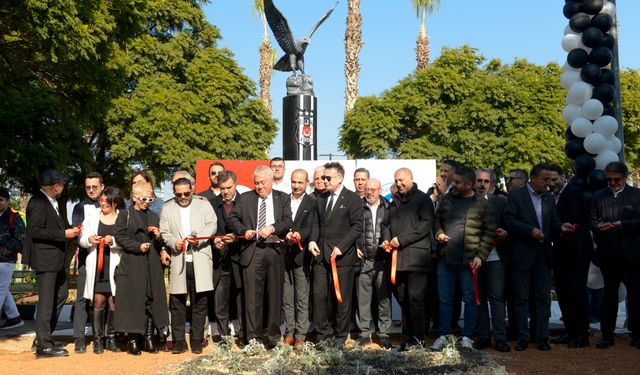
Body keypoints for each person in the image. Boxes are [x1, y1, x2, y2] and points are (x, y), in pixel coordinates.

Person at [503, 163, 574, 351]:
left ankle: (542, 337)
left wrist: (561, 227)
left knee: (543, 298)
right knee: (521, 298)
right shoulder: (516, 195)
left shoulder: (549, 198)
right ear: (532, 179)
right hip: (522, 254)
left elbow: (554, 221)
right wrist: (530, 231)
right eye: (544, 179)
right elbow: (509, 220)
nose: (548, 183)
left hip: (543, 255)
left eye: (550, 180)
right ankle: (523, 337)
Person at [227, 166, 293, 348]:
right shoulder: (246, 198)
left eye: (263, 182)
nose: (259, 186)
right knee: (252, 298)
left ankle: (272, 337)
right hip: (252, 250)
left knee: (274, 296)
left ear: (272, 181)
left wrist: (272, 228)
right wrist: (243, 230)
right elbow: (232, 219)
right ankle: (253, 338)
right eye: (256, 183)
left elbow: (288, 220)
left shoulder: (283, 198)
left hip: (274, 251)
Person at [431, 167, 496, 350]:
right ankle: (443, 335)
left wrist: (481, 256)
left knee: (470, 300)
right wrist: (439, 233)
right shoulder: (447, 199)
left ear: (469, 184)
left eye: (458, 182)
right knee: (444, 299)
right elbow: (436, 220)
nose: (454, 184)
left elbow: (489, 232)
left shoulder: (482, 204)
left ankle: (467, 337)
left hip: (469, 261)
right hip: (446, 259)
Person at [23, 169, 80, 357]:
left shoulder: (49, 201)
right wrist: (63, 234)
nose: (63, 188)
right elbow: (35, 231)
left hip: (54, 260)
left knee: (62, 294)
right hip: (45, 259)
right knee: (47, 302)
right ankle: (43, 346)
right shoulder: (39, 202)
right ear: (56, 186)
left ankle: (43, 337)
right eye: (62, 185)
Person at [308, 162, 363, 346]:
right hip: (321, 257)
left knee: (341, 298)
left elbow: (357, 227)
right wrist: (312, 241)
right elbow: (315, 223)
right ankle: (323, 334)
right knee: (318, 295)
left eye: (328, 178)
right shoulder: (321, 198)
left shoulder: (352, 199)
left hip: (342, 257)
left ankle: (340, 336)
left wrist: (342, 246)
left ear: (339, 178)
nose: (324, 181)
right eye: (323, 177)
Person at [160, 177, 217, 354]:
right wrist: (173, 243)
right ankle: (178, 341)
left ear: (192, 189)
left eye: (186, 193)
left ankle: (197, 339)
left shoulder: (204, 204)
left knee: (200, 302)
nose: (183, 196)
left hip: (200, 260)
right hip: (179, 260)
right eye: (179, 194)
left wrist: (198, 239)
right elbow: (164, 232)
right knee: (177, 303)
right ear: (174, 192)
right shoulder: (167, 208)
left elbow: (212, 225)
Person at [113, 182, 169, 355]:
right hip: (132, 263)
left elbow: (160, 243)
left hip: (152, 263)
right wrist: (138, 246)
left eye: (150, 199)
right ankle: (132, 339)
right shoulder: (125, 214)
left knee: (151, 299)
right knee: (133, 300)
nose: (147, 202)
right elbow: (120, 236)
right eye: (144, 199)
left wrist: (158, 237)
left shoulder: (153, 216)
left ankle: (149, 337)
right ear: (135, 198)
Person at [382, 168, 434, 350]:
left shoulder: (423, 199)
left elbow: (426, 224)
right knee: (404, 300)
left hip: (417, 259)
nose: (399, 184)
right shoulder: (394, 200)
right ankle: (406, 340)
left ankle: (418, 341)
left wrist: (401, 239)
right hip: (398, 260)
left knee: (416, 299)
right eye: (396, 180)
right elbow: (385, 224)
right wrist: (387, 239)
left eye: (402, 180)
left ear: (411, 178)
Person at [590, 161, 640, 350]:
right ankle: (607, 335)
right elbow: (592, 219)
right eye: (608, 179)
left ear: (624, 177)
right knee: (609, 295)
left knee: (636, 295)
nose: (611, 183)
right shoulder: (598, 195)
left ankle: (637, 334)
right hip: (609, 253)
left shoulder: (637, 195)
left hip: (633, 254)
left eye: (615, 179)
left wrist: (622, 225)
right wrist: (598, 227)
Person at [548, 164, 593, 348]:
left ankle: (582, 334)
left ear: (563, 176)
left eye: (554, 179)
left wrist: (553, 224)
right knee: (564, 293)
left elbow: (569, 218)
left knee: (576, 292)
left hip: (577, 252)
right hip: (560, 251)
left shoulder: (574, 193)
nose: (551, 183)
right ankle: (570, 331)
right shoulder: (551, 197)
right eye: (548, 180)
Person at [78, 186, 125, 354]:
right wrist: (89, 239)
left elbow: (126, 241)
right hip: (96, 265)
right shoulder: (92, 216)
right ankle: (98, 340)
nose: (103, 203)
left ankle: (111, 338)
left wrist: (112, 241)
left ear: (115, 202)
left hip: (115, 265)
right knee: (98, 302)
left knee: (114, 302)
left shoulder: (123, 217)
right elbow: (81, 239)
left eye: (106, 201)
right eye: (101, 200)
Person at [473, 169, 511, 352]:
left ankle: (500, 338)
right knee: (479, 298)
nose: (482, 184)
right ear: (473, 183)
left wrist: (505, 232)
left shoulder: (500, 202)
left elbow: (508, 224)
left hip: (495, 256)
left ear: (491, 184)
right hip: (473, 258)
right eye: (479, 181)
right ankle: (483, 336)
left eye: (485, 181)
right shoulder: (466, 202)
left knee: (496, 298)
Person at [355, 178, 392, 348]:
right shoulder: (357, 207)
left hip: (383, 261)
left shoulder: (389, 207)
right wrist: (355, 245)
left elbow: (392, 229)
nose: (369, 192)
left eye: (373, 189)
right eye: (367, 189)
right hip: (364, 260)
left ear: (379, 190)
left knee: (383, 299)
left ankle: (383, 333)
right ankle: (363, 332)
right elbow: (351, 228)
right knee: (362, 300)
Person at [71, 171, 104, 353]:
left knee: (106, 298)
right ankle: (79, 338)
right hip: (86, 256)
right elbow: (78, 231)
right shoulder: (79, 207)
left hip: (107, 257)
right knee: (82, 298)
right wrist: (88, 238)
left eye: (94, 187)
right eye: (88, 187)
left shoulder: (110, 203)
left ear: (102, 187)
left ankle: (105, 336)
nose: (91, 190)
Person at [282, 169, 315, 349]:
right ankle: (289, 331)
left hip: (302, 256)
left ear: (307, 183)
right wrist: (284, 232)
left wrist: (298, 235)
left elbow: (311, 227)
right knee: (287, 297)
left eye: (300, 183)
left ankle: (301, 334)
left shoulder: (312, 202)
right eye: (294, 182)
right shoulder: (284, 200)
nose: (296, 186)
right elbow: (280, 222)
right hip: (284, 255)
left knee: (302, 297)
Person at [208, 170, 243, 338]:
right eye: (223, 188)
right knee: (220, 298)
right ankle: (223, 335)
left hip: (241, 257)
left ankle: (243, 333)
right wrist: (215, 240)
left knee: (241, 296)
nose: (226, 191)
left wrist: (235, 238)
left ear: (235, 184)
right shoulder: (211, 204)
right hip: (220, 258)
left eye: (229, 187)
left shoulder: (245, 201)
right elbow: (206, 229)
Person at [0, 188, 26, 330]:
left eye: (1, 200)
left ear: (7, 201)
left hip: (6, 260)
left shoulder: (14, 217)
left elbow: (21, 239)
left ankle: (14, 317)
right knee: (3, 289)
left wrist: (6, 249)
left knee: (1, 289)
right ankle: (14, 317)